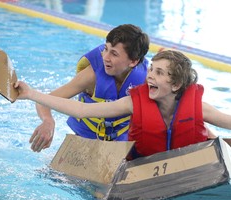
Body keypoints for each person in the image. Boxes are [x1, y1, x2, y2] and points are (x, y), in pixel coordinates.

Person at [15, 50, 231, 158]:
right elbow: (83, 110)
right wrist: (32, 94)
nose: (149, 77)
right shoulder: (135, 102)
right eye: (150, 69)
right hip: (141, 165)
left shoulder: (197, 108)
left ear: (176, 85)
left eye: (158, 73)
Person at [29, 24, 150, 152]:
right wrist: (48, 122)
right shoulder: (92, 76)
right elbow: (43, 101)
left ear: (133, 61)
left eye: (114, 54)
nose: (105, 57)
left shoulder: (145, 80)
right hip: (84, 139)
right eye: (105, 49)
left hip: (120, 143)